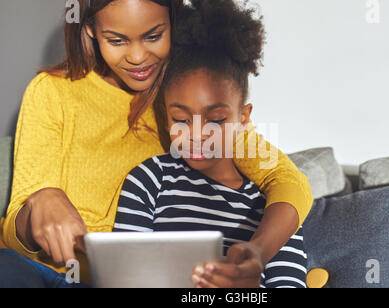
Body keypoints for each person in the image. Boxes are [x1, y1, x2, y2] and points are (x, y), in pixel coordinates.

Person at [0, 0, 313, 288]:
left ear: (173, 24)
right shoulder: (52, 94)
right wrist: (39, 202)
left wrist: (256, 254)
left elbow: (287, 183)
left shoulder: (191, 97)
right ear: (91, 30)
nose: (137, 57)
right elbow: (15, 235)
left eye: (153, 36)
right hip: (54, 276)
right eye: (116, 40)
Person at [114, 0, 307, 288]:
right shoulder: (150, 179)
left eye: (215, 119)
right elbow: (124, 278)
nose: (197, 134)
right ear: (166, 119)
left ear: (243, 118)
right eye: (181, 119)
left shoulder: (272, 210)